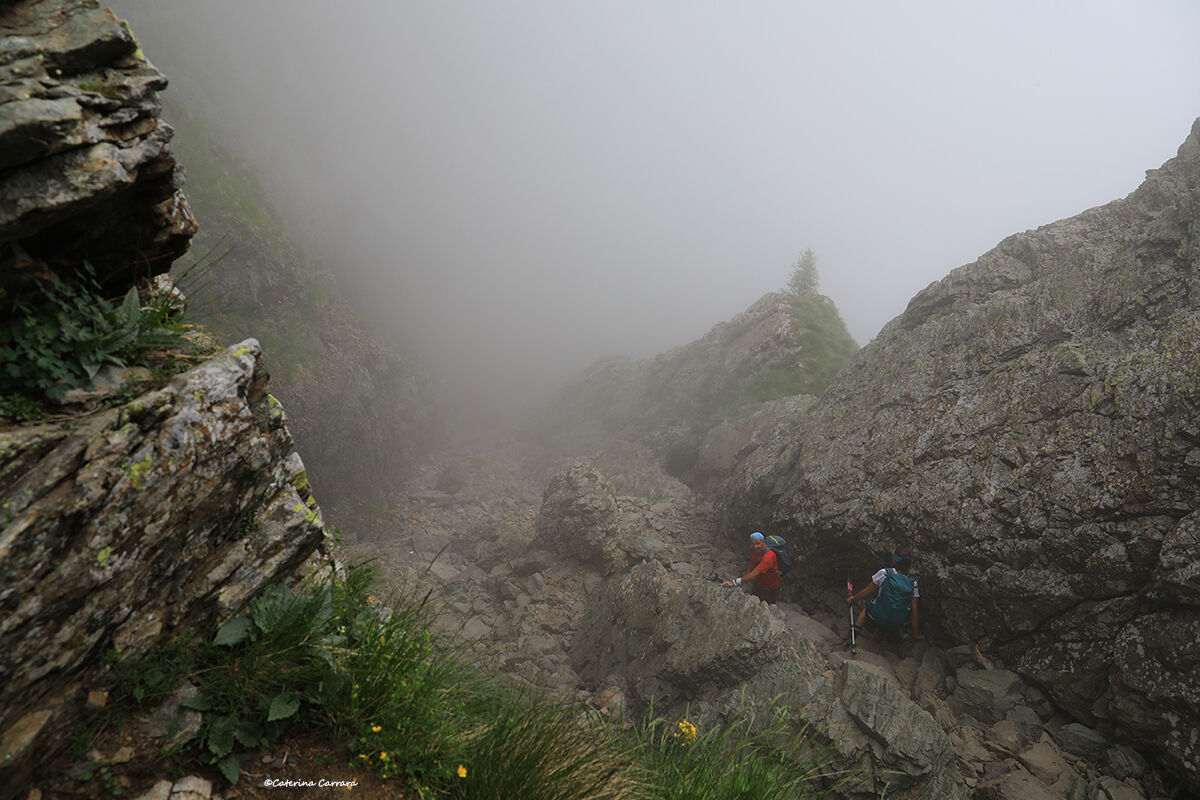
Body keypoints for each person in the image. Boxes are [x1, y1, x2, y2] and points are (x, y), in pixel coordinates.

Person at [845, 546, 923, 641]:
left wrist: (852, 600)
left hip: (878, 615)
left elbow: (865, 592)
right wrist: (916, 634)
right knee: (890, 609)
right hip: (896, 623)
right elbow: (914, 612)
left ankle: (853, 635)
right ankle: (876, 636)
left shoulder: (885, 573)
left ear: (895, 560)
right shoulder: (913, 584)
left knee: (868, 608)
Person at [722, 532, 780, 604]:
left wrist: (734, 583)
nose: (755, 546)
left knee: (768, 606)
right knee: (753, 603)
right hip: (758, 583)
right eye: (752, 544)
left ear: (763, 542)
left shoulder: (769, 556)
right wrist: (743, 580)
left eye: (758, 543)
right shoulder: (754, 551)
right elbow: (751, 569)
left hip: (770, 587)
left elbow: (753, 575)